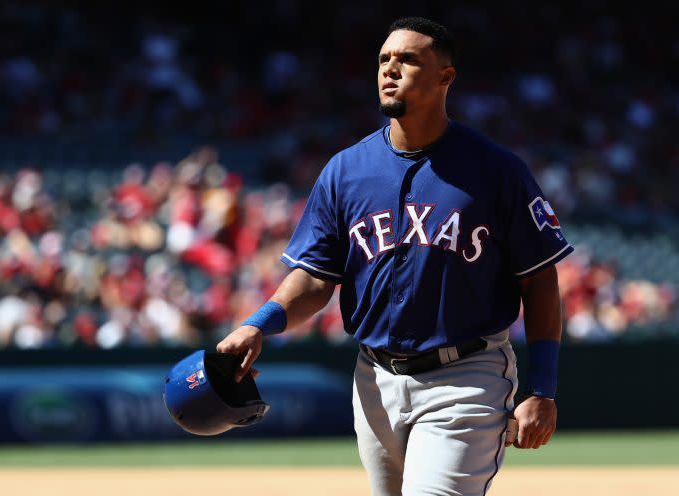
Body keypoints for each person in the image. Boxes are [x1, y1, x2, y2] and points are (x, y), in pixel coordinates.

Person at [217, 16, 572, 495]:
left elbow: (539, 280)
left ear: (445, 77)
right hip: (375, 379)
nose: (390, 68)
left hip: (466, 377)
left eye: (407, 59)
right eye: (384, 59)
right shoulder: (346, 171)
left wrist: (542, 390)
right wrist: (258, 323)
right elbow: (315, 278)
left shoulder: (496, 171)